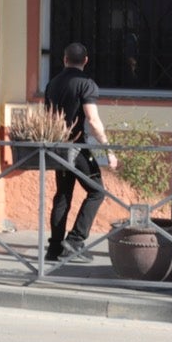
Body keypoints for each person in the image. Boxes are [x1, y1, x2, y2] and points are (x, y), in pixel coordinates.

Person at [41, 41, 116, 264]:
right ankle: (74, 241)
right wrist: (108, 149)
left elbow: (48, 118)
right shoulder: (86, 84)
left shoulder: (52, 84)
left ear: (64, 59)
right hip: (77, 147)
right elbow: (92, 119)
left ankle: (54, 249)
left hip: (58, 147)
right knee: (97, 192)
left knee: (63, 196)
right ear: (86, 60)